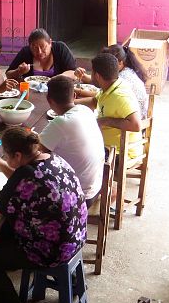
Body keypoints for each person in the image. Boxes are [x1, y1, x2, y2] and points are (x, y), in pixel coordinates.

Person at [0, 127, 88, 303]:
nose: (4, 157)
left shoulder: (24, 174)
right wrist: (2, 165)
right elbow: (30, 182)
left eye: (6, 155)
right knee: (9, 230)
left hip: (52, 250)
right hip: (77, 235)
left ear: (17, 155)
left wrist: (4, 170)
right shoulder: (54, 159)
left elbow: (0, 209)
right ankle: (4, 294)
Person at [39, 75, 105, 205]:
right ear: (74, 96)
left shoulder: (60, 123)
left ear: (49, 100)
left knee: (30, 173)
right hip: (96, 187)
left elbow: (35, 151)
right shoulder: (86, 110)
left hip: (79, 196)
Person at [74, 53, 142, 159]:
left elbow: (136, 125)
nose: (91, 76)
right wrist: (70, 103)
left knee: (74, 152)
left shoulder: (120, 95)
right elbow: (94, 101)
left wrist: (105, 121)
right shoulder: (110, 87)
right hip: (108, 147)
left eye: (92, 72)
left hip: (120, 154)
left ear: (97, 76)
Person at [74, 44, 150, 119]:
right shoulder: (122, 73)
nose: (106, 66)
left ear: (120, 62)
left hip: (132, 121)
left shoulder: (123, 79)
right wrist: (83, 76)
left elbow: (99, 96)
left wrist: (78, 91)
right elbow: (97, 96)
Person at [6, 28, 77, 80]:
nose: (39, 51)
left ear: (50, 43)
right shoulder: (26, 52)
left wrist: (57, 79)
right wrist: (18, 71)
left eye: (43, 47)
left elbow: (74, 73)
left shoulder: (60, 48)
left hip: (56, 92)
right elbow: (8, 75)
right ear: (29, 46)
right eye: (34, 48)